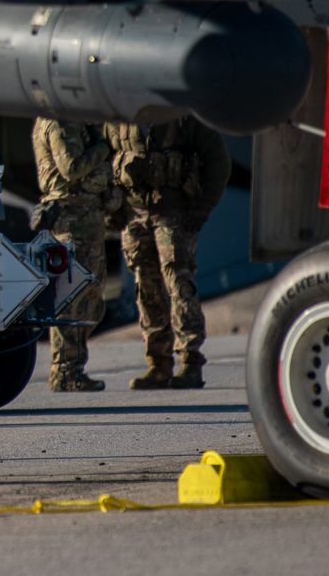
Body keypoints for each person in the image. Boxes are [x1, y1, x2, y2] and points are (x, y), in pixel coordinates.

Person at [107, 117, 231, 389]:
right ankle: (158, 365)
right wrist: (112, 210)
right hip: (135, 216)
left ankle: (190, 361)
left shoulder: (183, 117)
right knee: (146, 288)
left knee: (180, 284)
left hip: (173, 215)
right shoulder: (120, 117)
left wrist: (202, 208)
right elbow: (108, 161)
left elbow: (219, 163)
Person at [31, 118, 118, 392]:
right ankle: (65, 371)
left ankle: (74, 366)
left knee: (90, 295)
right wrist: (103, 149)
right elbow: (71, 168)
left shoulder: (76, 123)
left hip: (87, 218)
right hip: (72, 219)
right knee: (72, 296)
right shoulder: (59, 122)